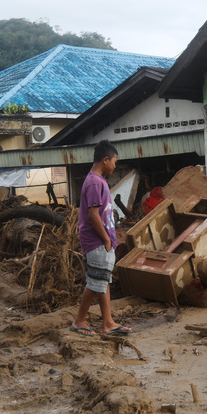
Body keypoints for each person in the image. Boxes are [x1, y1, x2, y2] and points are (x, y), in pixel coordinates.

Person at [70, 141, 132, 336]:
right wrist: (106, 239)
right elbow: (93, 215)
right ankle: (79, 321)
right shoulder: (95, 182)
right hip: (96, 242)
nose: (115, 165)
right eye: (114, 161)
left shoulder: (98, 181)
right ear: (105, 160)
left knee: (102, 281)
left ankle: (108, 323)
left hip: (101, 241)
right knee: (95, 282)